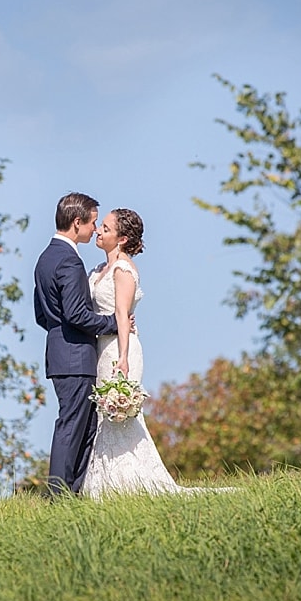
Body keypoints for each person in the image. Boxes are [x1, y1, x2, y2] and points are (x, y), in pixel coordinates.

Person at [81, 208, 213, 499]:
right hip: (100, 350)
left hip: (119, 350)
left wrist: (124, 359)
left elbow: (121, 314)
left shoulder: (123, 270)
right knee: (104, 417)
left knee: (119, 418)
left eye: (105, 228)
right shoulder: (97, 270)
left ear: (123, 238)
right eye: (99, 226)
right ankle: (103, 485)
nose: (99, 231)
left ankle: (126, 485)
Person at [33, 193, 121, 495]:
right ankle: (60, 494)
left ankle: (71, 492)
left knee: (83, 426)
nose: (95, 229)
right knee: (73, 427)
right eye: (93, 223)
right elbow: (76, 314)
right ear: (76, 222)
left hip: (59, 354)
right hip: (75, 357)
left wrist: (59, 334)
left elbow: (41, 315)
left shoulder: (45, 258)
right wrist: (113, 323)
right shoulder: (69, 261)